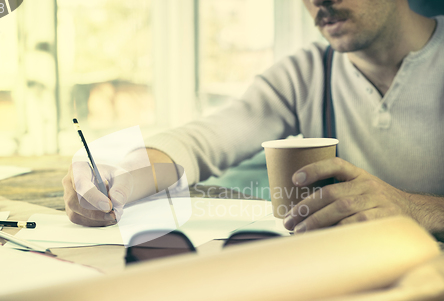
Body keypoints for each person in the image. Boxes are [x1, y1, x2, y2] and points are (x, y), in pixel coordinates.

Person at [63, 0, 444, 240]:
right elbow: (203, 141)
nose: (319, 2)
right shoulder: (308, 72)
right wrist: (120, 175)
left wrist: (413, 207)